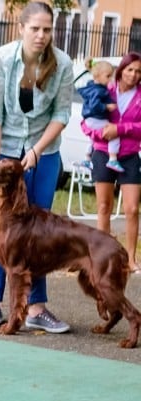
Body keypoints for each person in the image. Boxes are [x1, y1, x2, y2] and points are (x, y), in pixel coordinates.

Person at [0, 1, 73, 333]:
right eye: (35, 28)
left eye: (47, 29)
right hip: (2, 153)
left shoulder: (61, 63)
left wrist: (35, 150)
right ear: (21, 28)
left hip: (43, 155)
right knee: (0, 227)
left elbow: (62, 115)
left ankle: (36, 307)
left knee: (39, 231)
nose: (41, 35)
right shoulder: (3, 59)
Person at [82, 52, 141, 274]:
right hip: (103, 153)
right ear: (121, 70)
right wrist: (97, 134)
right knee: (103, 207)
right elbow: (85, 121)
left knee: (132, 209)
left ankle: (131, 259)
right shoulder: (106, 88)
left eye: (138, 71)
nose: (134, 75)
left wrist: (121, 129)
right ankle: (102, 257)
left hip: (129, 156)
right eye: (130, 70)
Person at [78, 59, 122, 172]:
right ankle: (113, 159)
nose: (110, 79)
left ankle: (87, 159)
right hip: (96, 118)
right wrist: (107, 107)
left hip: (89, 119)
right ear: (98, 76)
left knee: (92, 140)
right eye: (108, 76)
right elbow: (94, 105)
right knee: (114, 134)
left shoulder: (91, 87)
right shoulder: (99, 90)